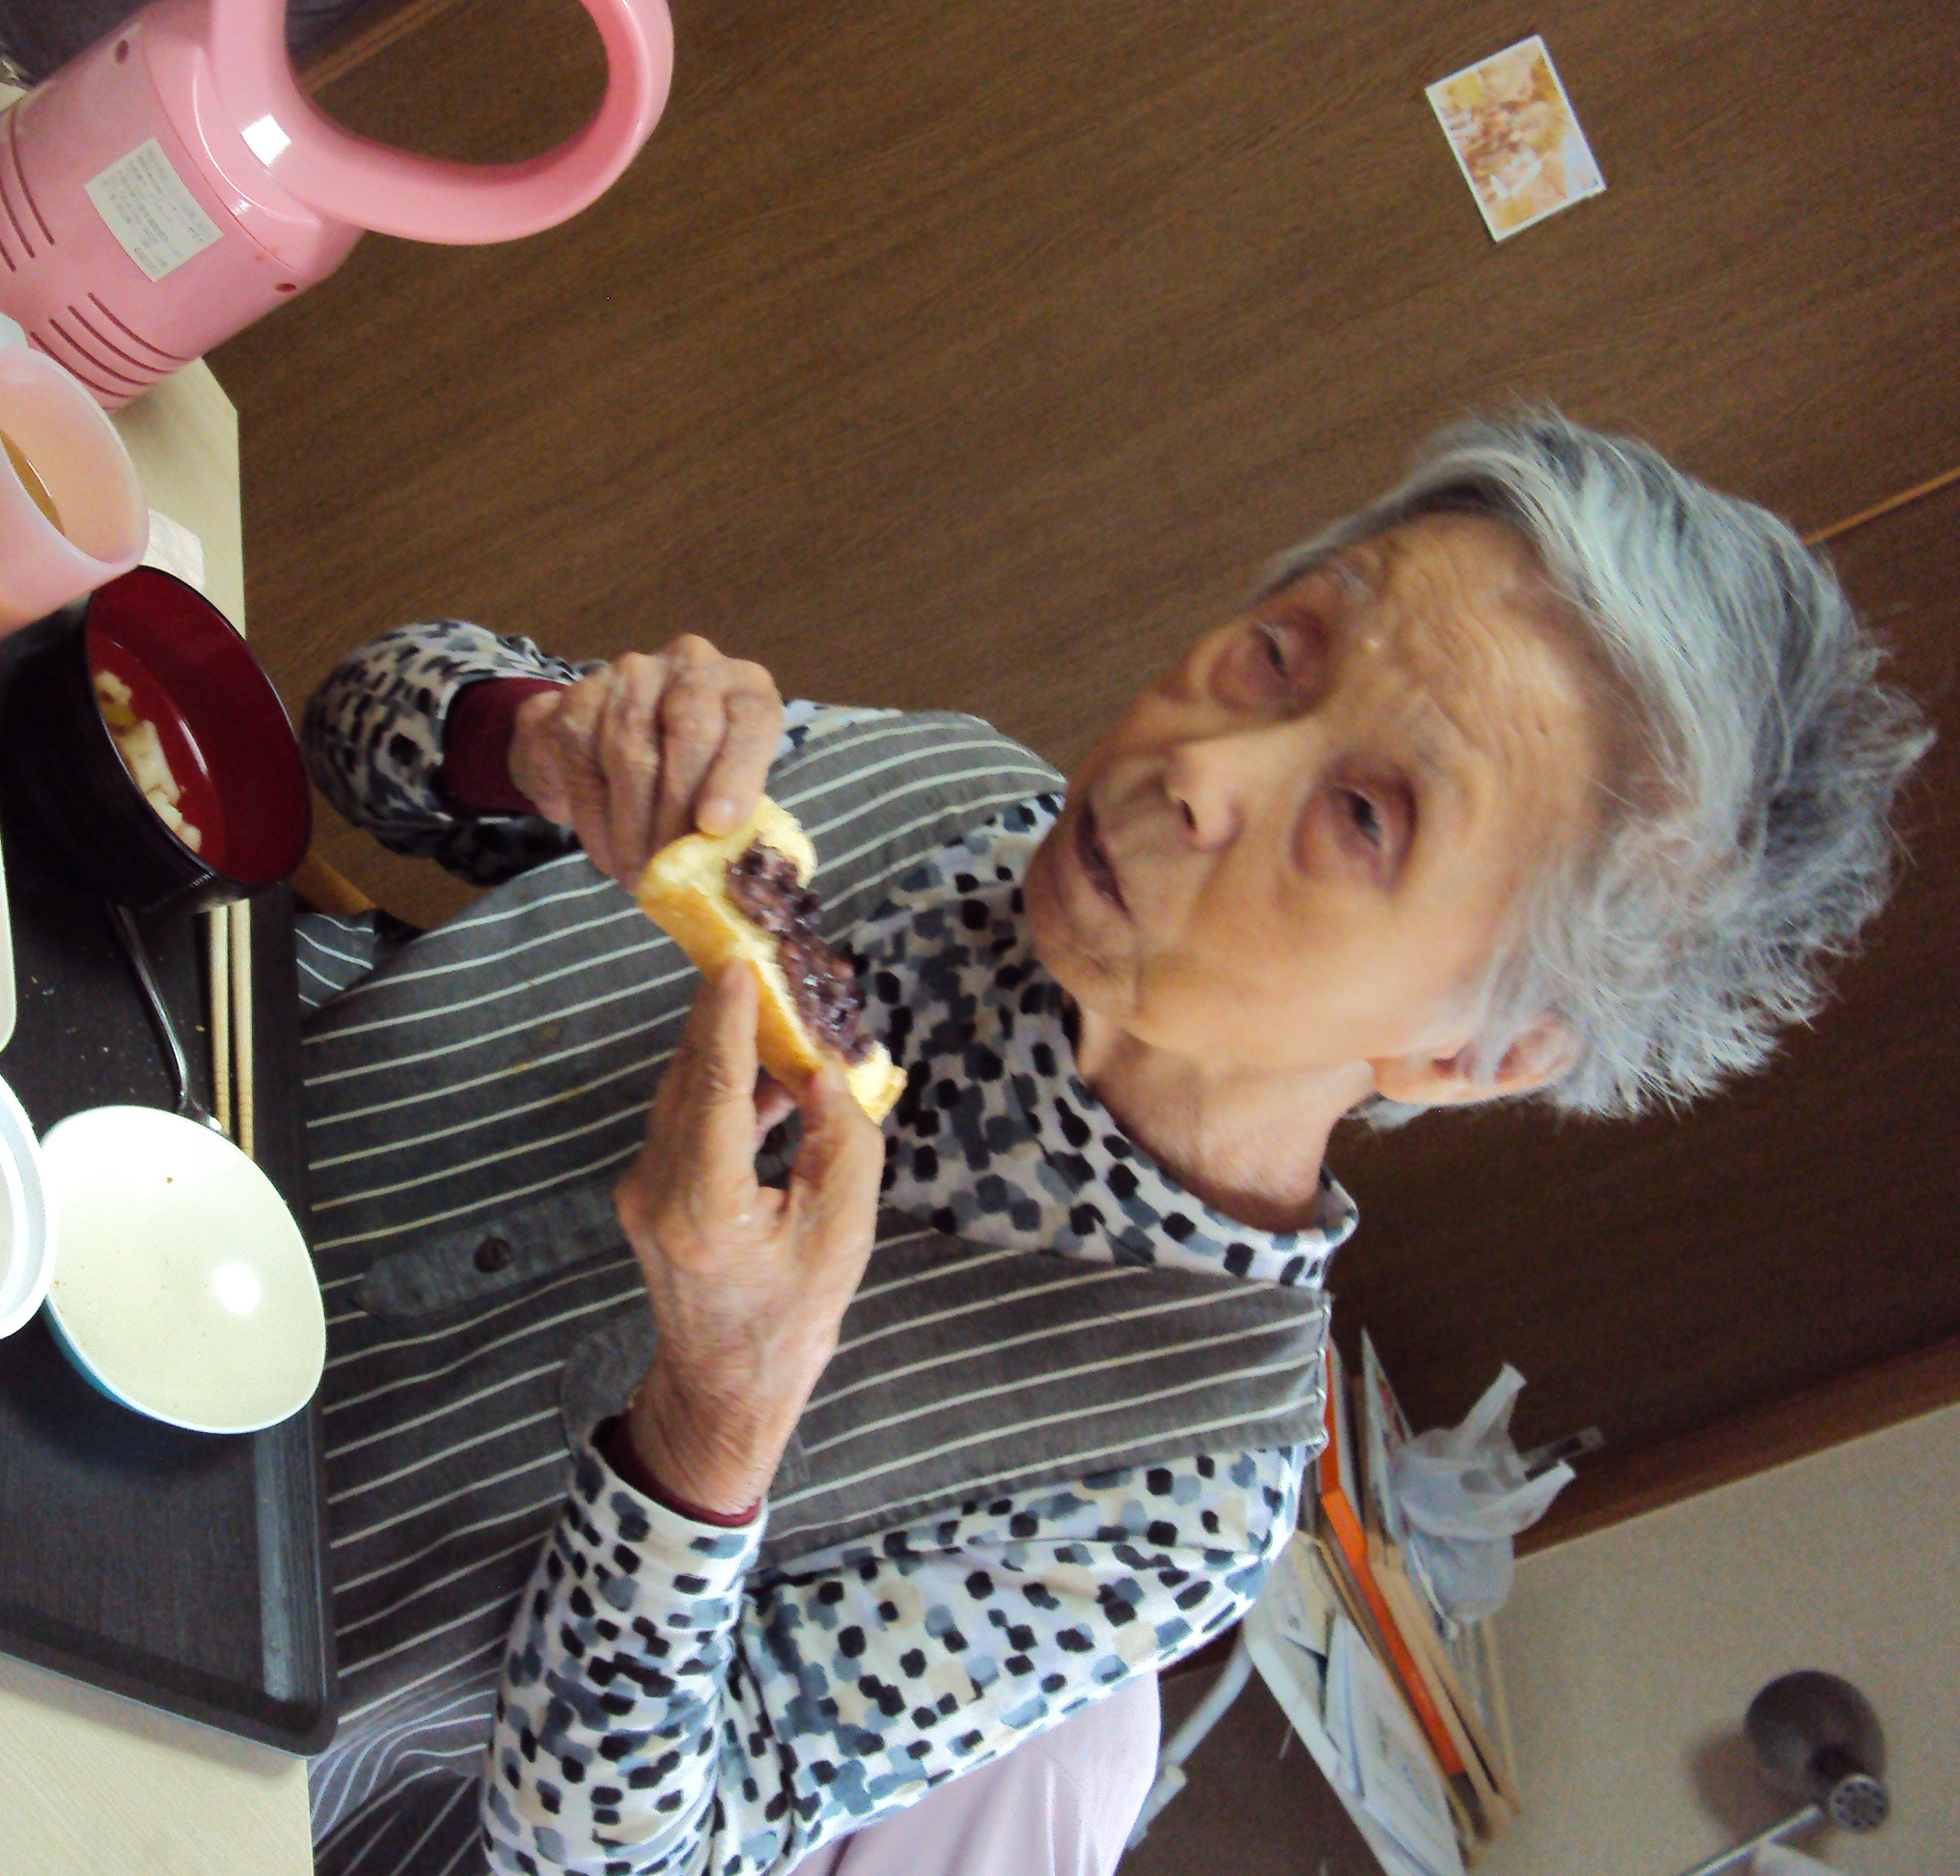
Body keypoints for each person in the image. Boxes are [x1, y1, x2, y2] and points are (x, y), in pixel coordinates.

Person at [288, 412, 1928, 1876]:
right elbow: (347, 729)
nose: (1199, 769)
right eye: (1280, 652)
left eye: (1366, 816)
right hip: (157, 1109)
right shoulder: (942, 779)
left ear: (1469, 1053)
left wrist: (715, 1421)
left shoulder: (1185, 1482)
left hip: (235, 1715)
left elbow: (616, 1851)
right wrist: (537, 733)